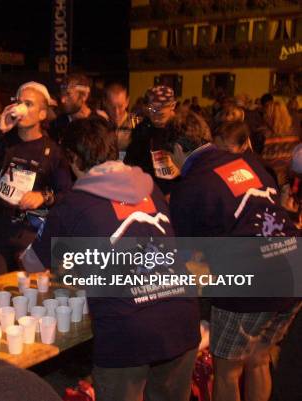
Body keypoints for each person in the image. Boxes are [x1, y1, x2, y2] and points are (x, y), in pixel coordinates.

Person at [21, 117, 200, 401]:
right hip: (181, 316)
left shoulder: (73, 203)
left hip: (127, 328)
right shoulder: (150, 187)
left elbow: (33, 263)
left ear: (75, 159)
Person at [167, 116, 301, 401]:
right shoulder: (248, 162)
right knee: (259, 359)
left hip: (251, 279)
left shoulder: (190, 185)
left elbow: (181, 251)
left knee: (227, 371)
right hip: (292, 266)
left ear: (179, 149)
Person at [0, 81, 72, 277]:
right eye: (19, 101)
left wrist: (43, 196)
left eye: (29, 103)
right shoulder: (3, 141)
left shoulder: (53, 152)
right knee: (0, 292)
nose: (21, 107)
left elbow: (66, 193)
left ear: (42, 114)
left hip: (31, 234)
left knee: (30, 295)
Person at [125, 85, 180, 195]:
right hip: (148, 191)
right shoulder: (143, 128)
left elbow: (195, 165)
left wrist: (179, 170)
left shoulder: (181, 130)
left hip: (175, 191)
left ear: (172, 106)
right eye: (151, 109)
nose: (154, 116)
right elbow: (131, 159)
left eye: (159, 112)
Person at [97, 83, 142, 160]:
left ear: (127, 102)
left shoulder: (137, 122)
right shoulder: (98, 123)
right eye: (112, 106)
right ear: (105, 102)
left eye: (120, 106)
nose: (116, 112)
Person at [261, 101, 300, 188]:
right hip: (288, 178)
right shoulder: (294, 133)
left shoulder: (262, 134)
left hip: (268, 179)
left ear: (268, 116)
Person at [49, 73, 94, 143]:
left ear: (84, 96)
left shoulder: (96, 125)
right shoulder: (57, 124)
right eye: (62, 94)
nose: (62, 100)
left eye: (68, 94)